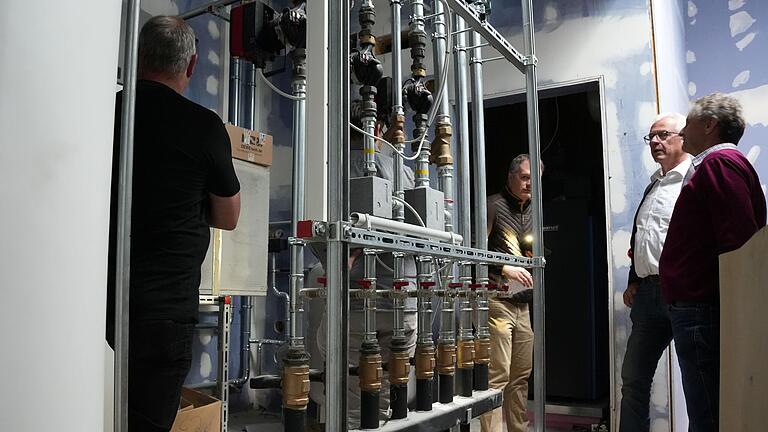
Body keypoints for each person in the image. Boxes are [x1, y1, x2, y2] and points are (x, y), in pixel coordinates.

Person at [107, 16, 241, 432]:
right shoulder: (204, 126)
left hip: (103, 306)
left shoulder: (108, 111)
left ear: (138, 56)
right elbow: (229, 216)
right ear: (191, 65)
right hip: (165, 314)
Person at [659, 93, 766, 432]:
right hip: (701, 305)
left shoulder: (719, 164)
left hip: (701, 307)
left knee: (708, 412)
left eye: (687, 124)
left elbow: (739, 245)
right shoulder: (717, 165)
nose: (681, 132)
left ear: (708, 125)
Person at [312, 107, 418, 428]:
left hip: (353, 303)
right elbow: (423, 233)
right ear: (381, 129)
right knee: (388, 395)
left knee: (352, 401)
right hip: (403, 304)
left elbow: (320, 235)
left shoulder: (334, 171)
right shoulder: (405, 172)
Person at [619, 113, 690, 432]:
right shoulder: (654, 185)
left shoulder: (695, 177)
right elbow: (641, 235)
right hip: (648, 296)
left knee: (698, 382)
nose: (656, 142)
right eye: (652, 137)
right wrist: (634, 280)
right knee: (633, 380)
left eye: (663, 135)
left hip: (685, 293)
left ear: (683, 137)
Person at [480, 154, 537, 432]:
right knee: (497, 376)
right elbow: (475, 253)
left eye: (534, 179)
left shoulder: (533, 211)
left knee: (521, 377)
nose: (530, 184)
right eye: (525, 177)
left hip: (523, 305)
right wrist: (505, 268)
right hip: (497, 302)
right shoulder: (493, 204)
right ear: (511, 176)